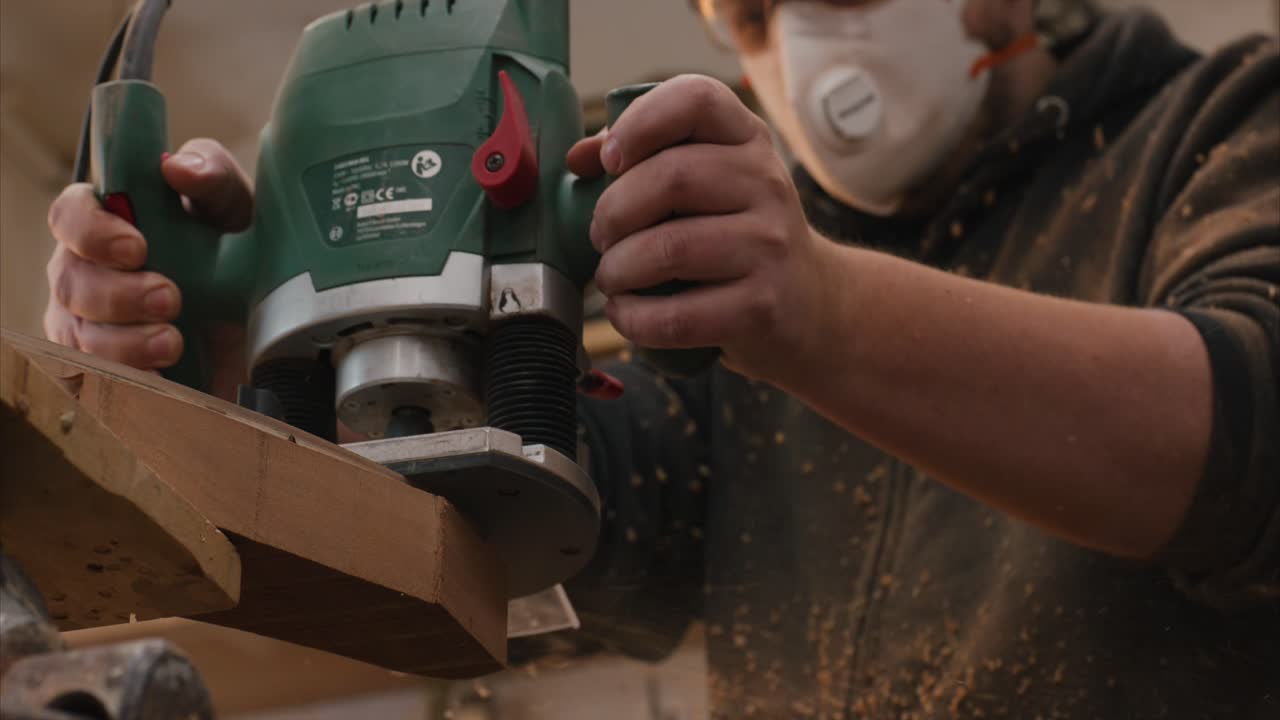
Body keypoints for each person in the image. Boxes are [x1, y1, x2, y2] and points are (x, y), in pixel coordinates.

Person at [42, 0, 1278, 716]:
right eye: (745, 14)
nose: (795, 47)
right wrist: (229, 373)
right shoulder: (735, 283)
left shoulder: (1223, 122)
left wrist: (826, 316)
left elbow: (1247, 435)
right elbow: (547, 518)